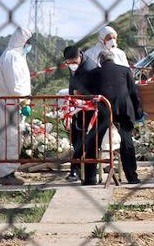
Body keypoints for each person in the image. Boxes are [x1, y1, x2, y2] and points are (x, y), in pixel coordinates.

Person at [84, 50, 145, 184]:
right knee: (127, 142)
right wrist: (138, 111)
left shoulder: (93, 74)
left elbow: (88, 95)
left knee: (93, 141)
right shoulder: (125, 71)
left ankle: (90, 177)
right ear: (113, 59)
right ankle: (132, 176)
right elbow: (134, 93)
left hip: (103, 109)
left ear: (100, 61)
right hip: (123, 109)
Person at [0, 27, 32, 186]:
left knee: (9, 138)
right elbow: (15, 85)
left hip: (11, 104)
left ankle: (4, 171)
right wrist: (24, 101)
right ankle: (7, 172)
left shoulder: (14, 55)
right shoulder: (12, 57)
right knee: (11, 138)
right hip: (12, 104)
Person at [62, 46, 101, 185]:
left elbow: (96, 89)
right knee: (77, 137)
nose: (71, 65)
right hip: (78, 107)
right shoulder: (73, 65)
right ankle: (76, 168)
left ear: (79, 57)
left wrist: (82, 95)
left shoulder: (90, 67)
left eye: (73, 62)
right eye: (68, 62)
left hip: (90, 109)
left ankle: (76, 169)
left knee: (84, 139)